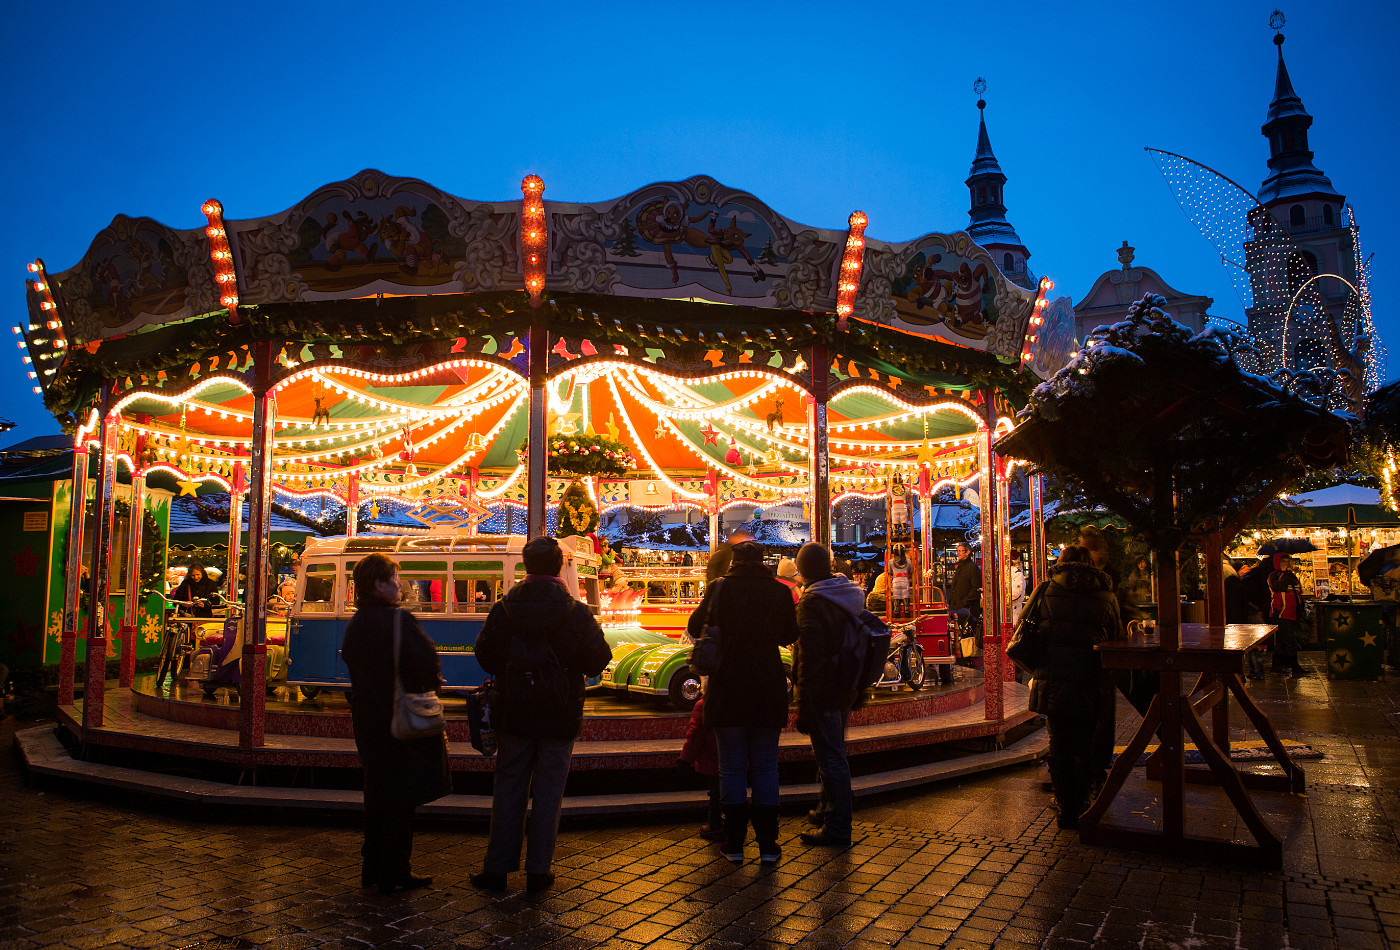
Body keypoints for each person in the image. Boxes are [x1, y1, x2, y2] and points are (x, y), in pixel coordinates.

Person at [471, 537, 611, 893]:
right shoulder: (576, 612)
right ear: (559, 566)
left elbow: (485, 655)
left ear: (525, 565)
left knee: (508, 787)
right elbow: (599, 658)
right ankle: (538, 870)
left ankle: (497, 868)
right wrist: (567, 667)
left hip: (514, 709)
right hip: (559, 711)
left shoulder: (505, 608)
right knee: (549, 790)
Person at [340, 552, 450, 894]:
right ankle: (395, 868)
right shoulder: (399, 621)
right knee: (401, 796)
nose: (399, 584)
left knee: (376, 791)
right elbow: (426, 663)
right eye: (394, 578)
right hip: (396, 718)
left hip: (367, 718)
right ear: (379, 584)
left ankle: (371, 866)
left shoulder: (356, 623)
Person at [687, 540, 799, 864]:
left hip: (727, 687)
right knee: (765, 768)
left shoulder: (719, 589)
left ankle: (734, 843)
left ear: (733, 561)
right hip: (766, 686)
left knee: (731, 769)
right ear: (764, 561)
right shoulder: (778, 591)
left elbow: (695, 627)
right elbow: (789, 634)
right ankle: (768, 845)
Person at [1020, 545, 1124, 829]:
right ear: (1091, 563)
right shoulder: (1106, 595)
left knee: (1059, 743)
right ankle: (1082, 803)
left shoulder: (1045, 590)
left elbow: (1023, 629)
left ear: (1061, 563)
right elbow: (1117, 639)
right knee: (1085, 742)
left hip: (1053, 677)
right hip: (1092, 680)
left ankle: (1066, 807)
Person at [792, 542, 866, 848]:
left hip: (823, 690)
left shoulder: (812, 603)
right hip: (846, 685)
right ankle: (825, 810)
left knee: (831, 757)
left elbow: (810, 657)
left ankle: (838, 825)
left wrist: (803, 703)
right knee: (832, 752)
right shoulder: (847, 595)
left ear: (804, 570)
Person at [678, 693, 723, 841]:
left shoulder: (704, 705)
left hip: (712, 759)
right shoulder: (738, 700)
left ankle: (715, 826)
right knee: (732, 792)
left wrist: (685, 758)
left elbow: (696, 734)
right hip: (735, 757)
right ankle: (734, 826)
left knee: (715, 795)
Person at [1268, 554, 1310, 677]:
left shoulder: (1292, 577)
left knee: (1282, 641)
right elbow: (1279, 587)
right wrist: (1285, 574)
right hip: (1280, 614)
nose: (1286, 563)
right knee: (1288, 640)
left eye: (1287, 561)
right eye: (1283, 561)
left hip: (1292, 614)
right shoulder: (1274, 576)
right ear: (1277, 563)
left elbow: (1298, 592)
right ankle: (1294, 666)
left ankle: (1277, 665)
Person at [948, 543, 981, 648]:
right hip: (957, 607)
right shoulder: (960, 567)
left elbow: (975, 588)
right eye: (957, 551)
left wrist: (964, 602)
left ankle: (969, 658)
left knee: (968, 635)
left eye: (960, 551)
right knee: (958, 634)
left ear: (967, 552)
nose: (958, 553)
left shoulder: (972, 567)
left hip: (967, 609)